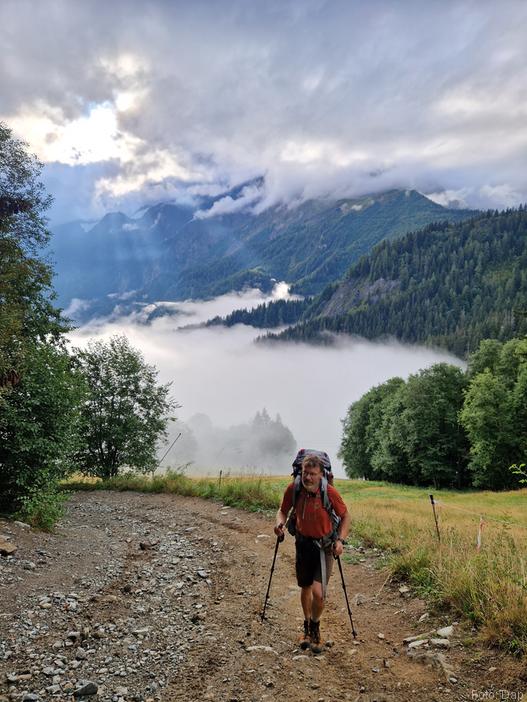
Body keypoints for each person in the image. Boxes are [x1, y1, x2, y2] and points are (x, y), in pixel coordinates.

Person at [274, 454, 350, 653]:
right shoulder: (294, 489)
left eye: (312, 474)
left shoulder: (329, 492)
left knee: (319, 593)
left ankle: (315, 626)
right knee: (305, 587)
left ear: (321, 475)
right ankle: (307, 628)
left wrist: (340, 540)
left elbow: (345, 515)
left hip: (325, 546)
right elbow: (282, 511)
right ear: (301, 472)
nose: (308, 478)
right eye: (305, 473)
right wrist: (279, 524)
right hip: (303, 543)